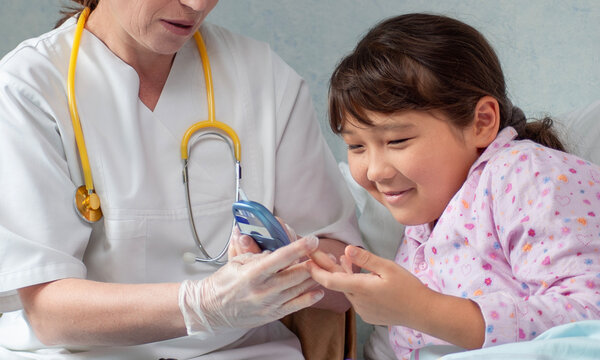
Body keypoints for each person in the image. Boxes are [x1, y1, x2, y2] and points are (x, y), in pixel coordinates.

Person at [0, 0, 361, 358]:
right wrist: (202, 304)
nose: (197, 4)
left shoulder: (263, 77)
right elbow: (49, 314)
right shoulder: (28, 87)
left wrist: (293, 260)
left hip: (241, 352)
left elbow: (347, 278)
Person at [307, 13, 600, 360]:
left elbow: (588, 316)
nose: (375, 171)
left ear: (482, 122)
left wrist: (422, 309)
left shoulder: (524, 173)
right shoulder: (425, 222)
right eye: (356, 146)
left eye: (398, 140)